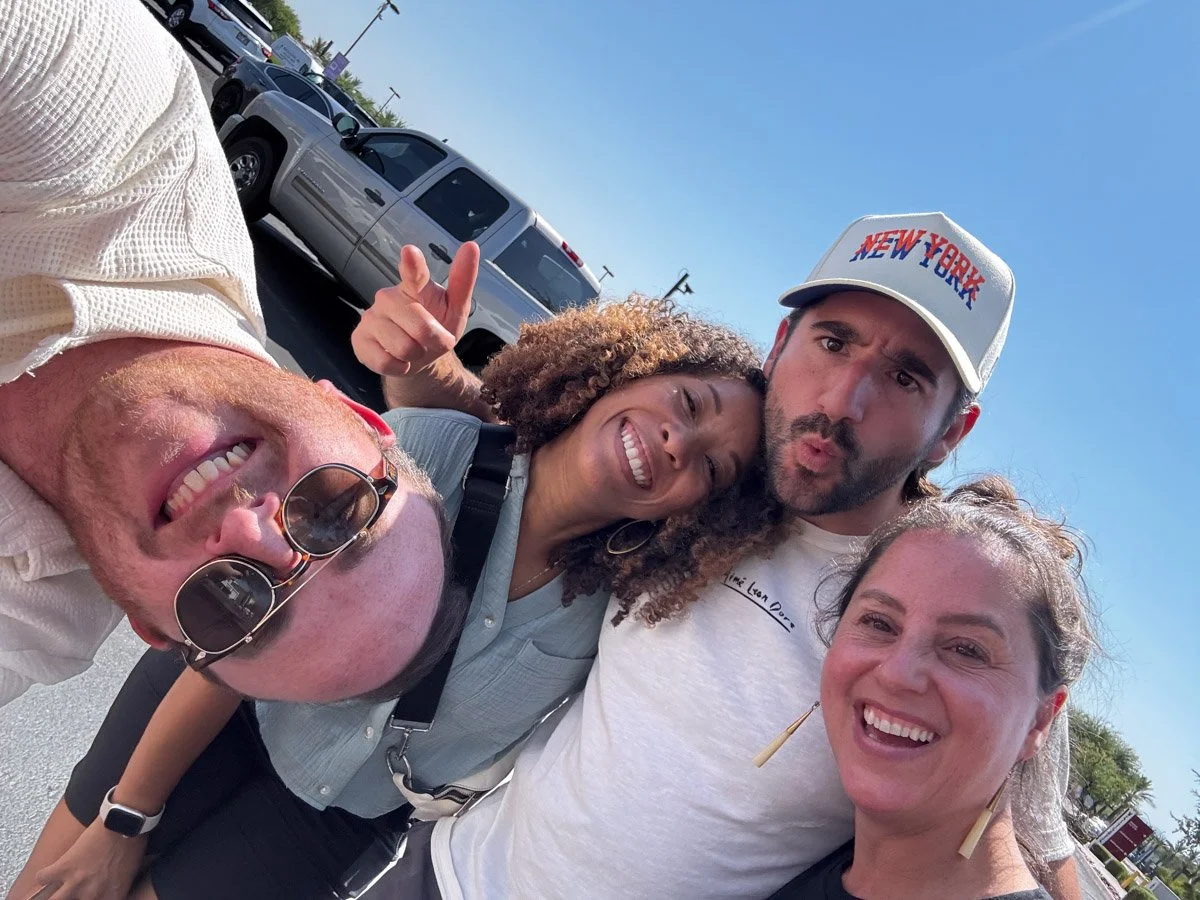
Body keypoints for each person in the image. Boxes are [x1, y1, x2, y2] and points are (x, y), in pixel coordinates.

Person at [359, 211, 1086, 900]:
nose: (843, 400)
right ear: (780, 344)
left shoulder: (952, 596)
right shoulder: (709, 474)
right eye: (833, 343)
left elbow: (1032, 858)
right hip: (443, 869)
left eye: (905, 378)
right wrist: (421, 366)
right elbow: (535, 458)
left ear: (952, 432)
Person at [11, 293, 781, 900]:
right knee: (55, 885)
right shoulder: (431, 449)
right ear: (635, 371)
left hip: (333, 820)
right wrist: (125, 818)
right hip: (215, 712)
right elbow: (241, 629)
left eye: (713, 470)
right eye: (689, 404)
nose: (681, 442)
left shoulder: (618, 621)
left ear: (696, 513)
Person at [0, 0, 454, 708]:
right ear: (356, 414)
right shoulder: (117, 132)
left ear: (148, 626)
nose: (245, 526)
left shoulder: (36, 625)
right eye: (337, 512)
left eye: (231, 608)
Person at [768, 476, 1094, 899]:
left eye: (967, 650)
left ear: (1040, 720)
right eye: (879, 622)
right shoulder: (828, 867)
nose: (897, 674)